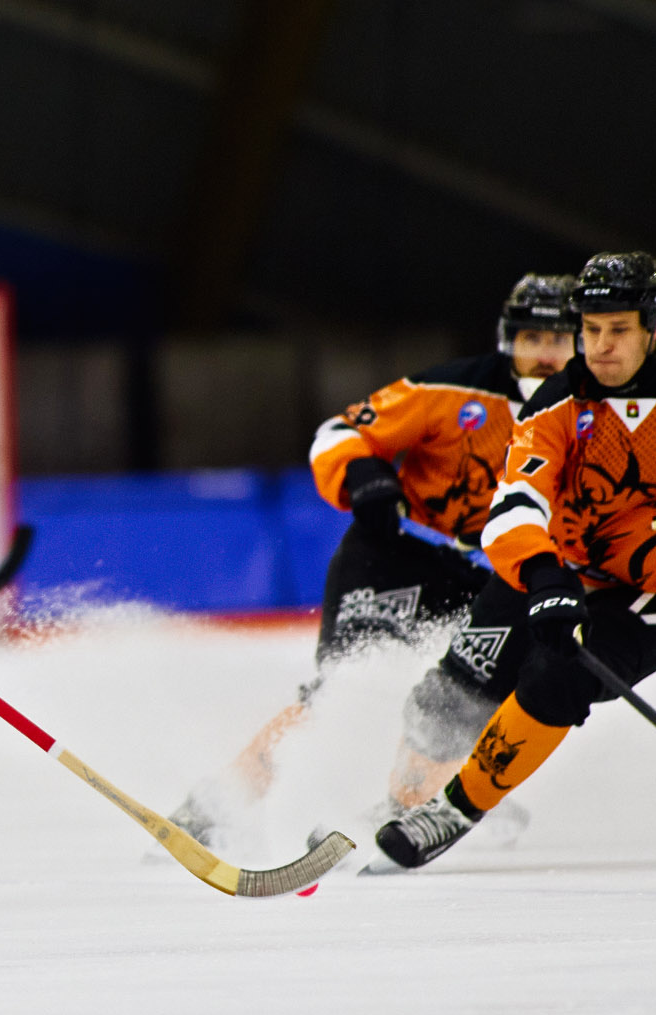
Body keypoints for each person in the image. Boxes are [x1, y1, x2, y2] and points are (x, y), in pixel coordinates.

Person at [375, 252, 656, 868]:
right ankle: (397, 804)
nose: (599, 347)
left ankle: (453, 811)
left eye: (618, 330)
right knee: (446, 695)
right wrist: (544, 575)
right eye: (590, 330)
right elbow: (515, 503)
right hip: (561, 572)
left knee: (557, 677)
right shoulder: (555, 404)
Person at [171, 274, 578, 846]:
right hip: (401, 558)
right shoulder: (450, 392)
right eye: (532, 337)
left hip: (506, 579)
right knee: (341, 690)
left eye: (561, 339)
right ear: (507, 339)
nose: (546, 354)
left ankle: (426, 801)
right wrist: (365, 478)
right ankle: (220, 803)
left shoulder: (598, 416)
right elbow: (340, 433)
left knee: (469, 697)